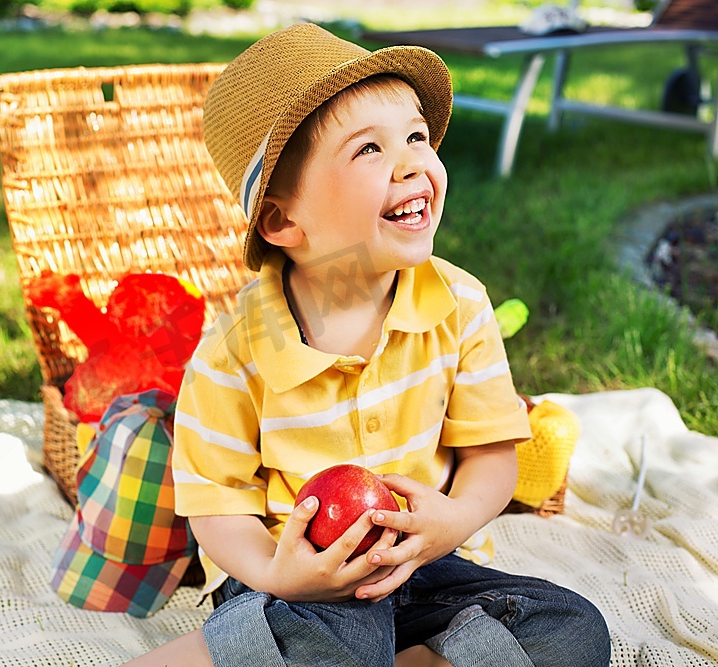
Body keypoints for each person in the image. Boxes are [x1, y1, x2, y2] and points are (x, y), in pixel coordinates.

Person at [124, 22, 611, 667]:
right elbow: (217, 508)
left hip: (426, 565)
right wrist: (279, 575)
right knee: (328, 638)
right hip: (302, 585)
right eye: (369, 151)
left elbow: (493, 458)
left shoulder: (459, 305)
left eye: (415, 136)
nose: (412, 161)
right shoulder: (238, 351)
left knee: (571, 629)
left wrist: (452, 523)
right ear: (283, 220)